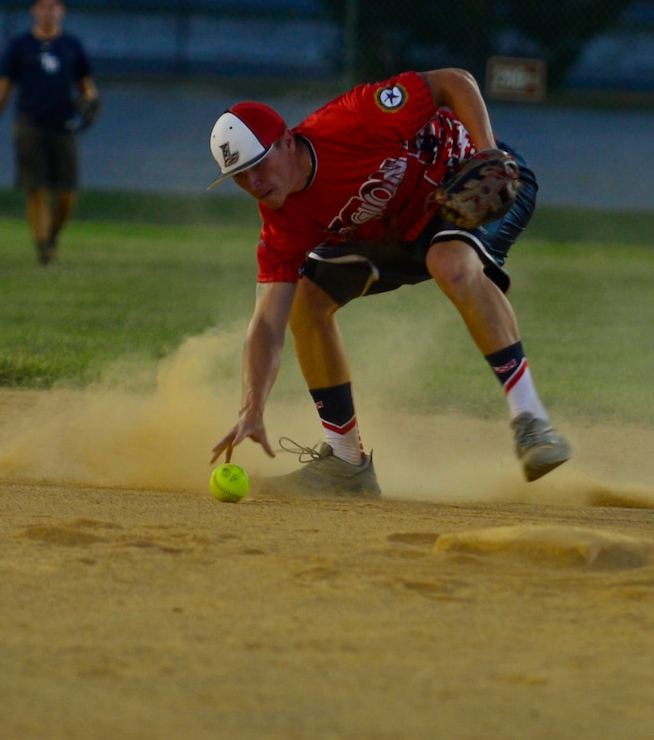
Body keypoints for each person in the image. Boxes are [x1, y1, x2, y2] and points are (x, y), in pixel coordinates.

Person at [207, 70, 569, 497]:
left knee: (448, 262)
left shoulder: (356, 119)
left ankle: (532, 420)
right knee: (307, 301)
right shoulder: (282, 227)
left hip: (466, 182)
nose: (254, 183)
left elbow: (454, 81)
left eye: (258, 164)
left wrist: (488, 152)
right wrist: (252, 406)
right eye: (240, 176)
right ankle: (345, 461)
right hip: (390, 225)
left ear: (287, 141)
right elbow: (267, 325)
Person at [0, 0, 98, 264]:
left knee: (67, 193)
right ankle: (43, 246)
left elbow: (86, 86)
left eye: (54, 5)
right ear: (34, 11)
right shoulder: (20, 46)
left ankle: (53, 234)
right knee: (37, 189)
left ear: (62, 11)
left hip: (63, 125)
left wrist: (91, 100)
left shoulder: (71, 46)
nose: (48, 10)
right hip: (30, 124)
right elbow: (3, 88)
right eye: (43, 5)